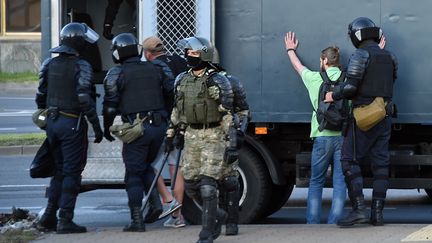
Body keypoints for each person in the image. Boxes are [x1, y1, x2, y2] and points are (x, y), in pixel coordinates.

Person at [324, 17, 398, 227]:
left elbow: (350, 89)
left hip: (363, 118)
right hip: (384, 116)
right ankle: (377, 214)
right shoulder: (390, 57)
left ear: (357, 35)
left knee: (348, 160)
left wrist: (332, 95)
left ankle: (359, 211)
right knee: (381, 164)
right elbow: (389, 82)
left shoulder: (360, 54)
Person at [35, 22, 103, 234]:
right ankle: (65, 219)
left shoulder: (49, 63)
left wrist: (46, 118)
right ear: (79, 42)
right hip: (71, 123)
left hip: (53, 123)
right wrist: (96, 125)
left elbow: (40, 95)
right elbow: (84, 97)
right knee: (72, 172)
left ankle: (48, 216)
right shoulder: (81, 65)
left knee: (59, 171)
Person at [165, 36, 234, 243]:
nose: (189, 56)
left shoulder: (217, 80)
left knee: (207, 186)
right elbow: (178, 110)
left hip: (213, 135)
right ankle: (217, 214)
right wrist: (171, 134)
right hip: (192, 136)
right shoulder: (181, 80)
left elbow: (228, 113)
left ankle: (206, 233)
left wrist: (231, 142)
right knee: (191, 185)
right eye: (187, 52)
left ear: (204, 54)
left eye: (194, 53)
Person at [102, 32, 174, 232]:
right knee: (145, 167)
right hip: (159, 128)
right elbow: (171, 93)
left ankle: (136, 219)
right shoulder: (158, 68)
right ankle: (155, 205)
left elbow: (109, 106)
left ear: (117, 53)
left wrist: (106, 130)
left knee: (133, 173)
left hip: (137, 129)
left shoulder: (117, 74)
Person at [284, 32, 347, 224]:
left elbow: (298, 66)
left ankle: (313, 223)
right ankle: (334, 221)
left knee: (316, 181)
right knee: (340, 182)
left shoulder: (314, 78)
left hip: (321, 134)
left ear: (324, 60)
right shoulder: (347, 80)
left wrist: (290, 50)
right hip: (342, 136)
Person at [142, 36, 189, 228]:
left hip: (163, 122)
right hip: (183, 121)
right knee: (175, 167)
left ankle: (169, 201)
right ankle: (177, 217)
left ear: (147, 54)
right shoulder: (178, 60)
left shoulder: (152, 68)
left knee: (149, 165)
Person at [209, 57, 250, 235]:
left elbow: (243, 110)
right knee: (206, 181)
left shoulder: (231, 82)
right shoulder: (195, 82)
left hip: (226, 136)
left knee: (230, 181)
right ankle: (217, 218)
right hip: (205, 137)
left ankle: (231, 222)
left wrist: (239, 133)